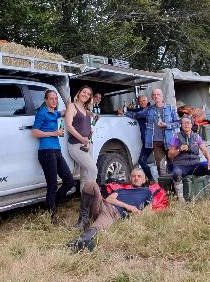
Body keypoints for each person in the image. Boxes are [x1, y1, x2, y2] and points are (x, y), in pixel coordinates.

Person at [67, 168, 153, 251]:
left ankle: (80, 241)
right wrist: (128, 206)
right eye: (134, 176)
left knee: (96, 227)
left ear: (144, 180)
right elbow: (109, 199)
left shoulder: (146, 191)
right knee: (90, 184)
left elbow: (149, 209)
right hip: (102, 204)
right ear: (130, 178)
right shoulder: (121, 190)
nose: (136, 178)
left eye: (139, 176)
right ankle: (83, 220)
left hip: (113, 212)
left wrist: (138, 212)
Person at [31, 89, 75, 222]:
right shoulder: (42, 112)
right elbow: (34, 132)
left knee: (69, 181)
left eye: (56, 99)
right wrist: (53, 133)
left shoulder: (54, 113)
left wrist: (69, 105)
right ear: (46, 100)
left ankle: (51, 204)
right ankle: (52, 215)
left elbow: (66, 112)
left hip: (56, 150)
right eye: (51, 99)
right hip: (46, 151)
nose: (54, 101)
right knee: (52, 185)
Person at [64, 85, 95, 229]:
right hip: (76, 145)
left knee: (84, 177)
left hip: (88, 145)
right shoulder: (72, 106)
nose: (86, 95)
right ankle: (88, 210)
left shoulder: (86, 110)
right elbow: (69, 126)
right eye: (84, 92)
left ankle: (86, 214)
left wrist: (89, 134)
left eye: (88, 94)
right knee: (93, 170)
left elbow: (90, 122)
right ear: (79, 92)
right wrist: (82, 139)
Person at [168, 116, 210, 202]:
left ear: (191, 124)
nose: (186, 125)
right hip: (181, 165)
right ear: (181, 125)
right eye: (183, 123)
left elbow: (205, 151)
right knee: (176, 173)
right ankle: (181, 200)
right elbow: (170, 155)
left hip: (195, 165)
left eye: (188, 123)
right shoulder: (176, 137)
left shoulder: (196, 137)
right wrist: (179, 149)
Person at [137, 88, 179, 176]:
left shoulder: (170, 108)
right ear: (152, 97)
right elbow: (137, 114)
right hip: (156, 142)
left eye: (158, 94)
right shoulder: (149, 109)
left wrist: (167, 125)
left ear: (162, 96)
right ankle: (164, 187)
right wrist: (124, 112)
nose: (156, 96)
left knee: (172, 164)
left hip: (170, 141)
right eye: (154, 95)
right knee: (160, 167)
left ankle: (174, 186)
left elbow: (178, 123)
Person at [123, 95, 154, 181]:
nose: (142, 102)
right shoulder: (140, 109)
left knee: (143, 161)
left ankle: (153, 180)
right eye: (140, 101)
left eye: (144, 100)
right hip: (146, 141)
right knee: (142, 161)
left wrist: (125, 112)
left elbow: (137, 115)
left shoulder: (150, 109)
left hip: (154, 140)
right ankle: (151, 180)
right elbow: (132, 111)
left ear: (147, 100)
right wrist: (122, 110)